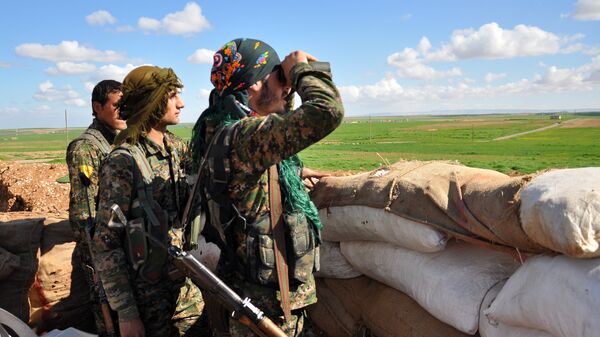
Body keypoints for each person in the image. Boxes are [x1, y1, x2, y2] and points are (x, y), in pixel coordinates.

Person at [190, 38, 344, 336]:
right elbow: (327, 111)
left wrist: (294, 173)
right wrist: (301, 71)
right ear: (253, 86)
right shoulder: (247, 137)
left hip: (252, 293)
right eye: (279, 78)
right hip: (268, 306)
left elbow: (253, 173)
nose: (287, 88)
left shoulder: (220, 126)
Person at [92, 66, 205, 337]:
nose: (181, 103)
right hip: (145, 297)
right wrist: (127, 314)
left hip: (185, 287)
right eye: (172, 96)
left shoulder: (177, 149)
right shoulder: (123, 161)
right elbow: (105, 244)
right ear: (151, 102)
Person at [66, 79, 125, 335]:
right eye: (116, 106)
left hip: (122, 241)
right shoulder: (86, 148)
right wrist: (97, 261)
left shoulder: (119, 141)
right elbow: (85, 213)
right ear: (97, 107)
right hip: (101, 249)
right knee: (108, 315)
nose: (123, 112)